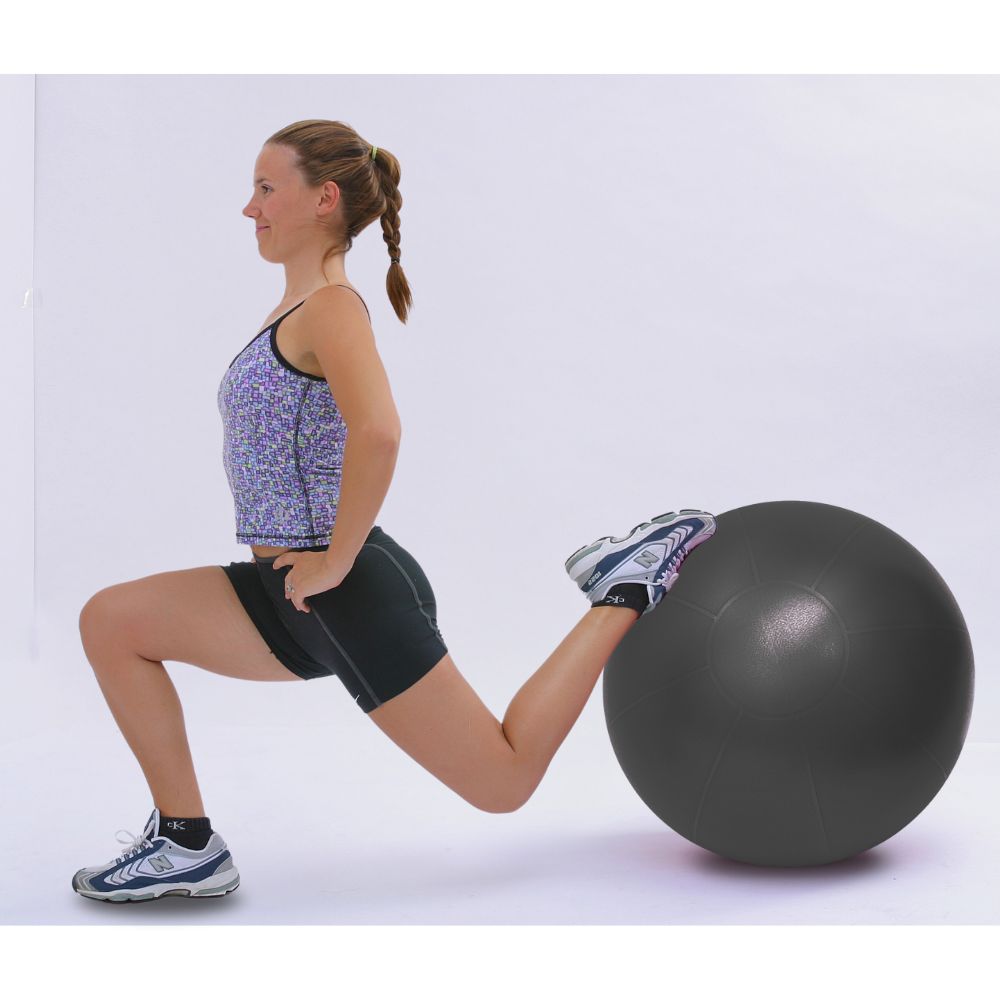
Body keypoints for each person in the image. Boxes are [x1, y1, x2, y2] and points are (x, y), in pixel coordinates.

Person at [72, 119, 717, 903]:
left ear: (325, 198)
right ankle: (186, 843)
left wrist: (337, 560)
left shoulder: (332, 309)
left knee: (503, 781)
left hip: (344, 589)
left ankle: (621, 587)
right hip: (287, 593)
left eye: (267, 189)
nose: (251, 209)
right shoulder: (296, 309)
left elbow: (379, 430)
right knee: (113, 621)